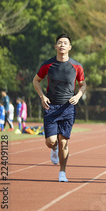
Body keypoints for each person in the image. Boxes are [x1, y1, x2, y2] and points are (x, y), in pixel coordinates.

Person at [33, 33, 86, 182]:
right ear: (55, 46)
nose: (62, 45)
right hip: (51, 107)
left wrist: (78, 96)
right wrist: (42, 96)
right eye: (59, 43)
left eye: (65, 43)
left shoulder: (76, 66)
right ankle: (53, 148)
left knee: (64, 141)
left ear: (70, 47)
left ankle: (62, 172)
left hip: (68, 107)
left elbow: (83, 85)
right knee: (51, 141)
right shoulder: (47, 65)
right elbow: (36, 81)